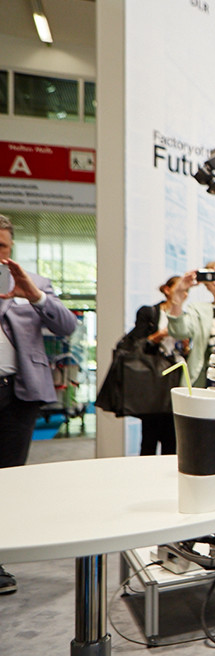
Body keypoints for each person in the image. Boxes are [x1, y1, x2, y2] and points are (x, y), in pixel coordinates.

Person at [0, 214, 79, 595]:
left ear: (10, 248)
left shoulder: (33, 284)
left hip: (18, 393)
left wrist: (34, 295)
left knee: (8, 478)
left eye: (1, 247)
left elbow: (67, 326)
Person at [131, 276, 188, 456]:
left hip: (175, 378)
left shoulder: (184, 317)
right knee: (149, 437)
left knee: (171, 437)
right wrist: (160, 335)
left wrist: (186, 345)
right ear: (167, 290)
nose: (183, 293)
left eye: (186, 290)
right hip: (152, 380)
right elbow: (135, 344)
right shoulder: (149, 313)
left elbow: (186, 353)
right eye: (179, 289)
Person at [165, 261, 215, 389]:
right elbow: (179, 331)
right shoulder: (199, 309)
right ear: (205, 284)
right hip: (205, 378)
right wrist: (178, 295)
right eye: (211, 278)